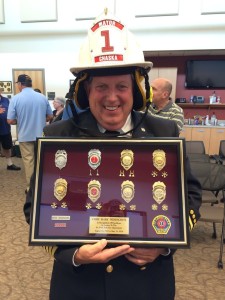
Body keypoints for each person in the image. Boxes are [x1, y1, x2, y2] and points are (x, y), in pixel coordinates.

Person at [24, 10, 202, 300]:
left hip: (147, 285)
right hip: (80, 285)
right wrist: (73, 253)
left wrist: (164, 245)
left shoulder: (163, 132)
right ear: (84, 92)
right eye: (101, 87)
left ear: (138, 91)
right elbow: (35, 207)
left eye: (121, 86)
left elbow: (190, 196)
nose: (111, 97)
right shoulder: (59, 135)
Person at [7, 74, 53, 192]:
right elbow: (50, 116)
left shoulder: (16, 99)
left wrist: (20, 120)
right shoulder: (42, 97)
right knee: (42, 160)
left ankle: (32, 188)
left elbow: (10, 120)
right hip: (41, 135)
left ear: (20, 84)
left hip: (25, 135)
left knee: (29, 162)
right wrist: (41, 119)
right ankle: (44, 186)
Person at [0, 88, 21, 170]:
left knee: (7, 147)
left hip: (5, 128)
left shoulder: (6, 100)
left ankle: (9, 164)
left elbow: (11, 111)